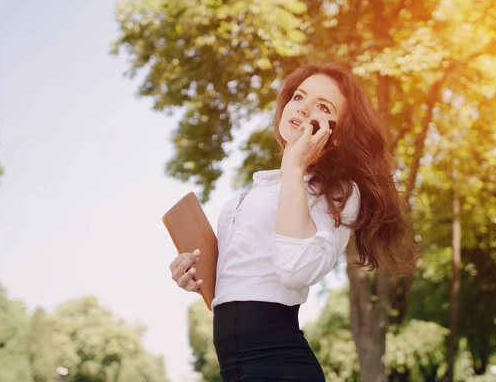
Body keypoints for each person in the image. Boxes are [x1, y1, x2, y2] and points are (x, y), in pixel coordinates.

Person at [168, 63, 419, 381]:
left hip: (278, 364)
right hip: (234, 367)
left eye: (322, 106)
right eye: (299, 97)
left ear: (337, 134)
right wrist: (194, 274)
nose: (302, 108)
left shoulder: (338, 192)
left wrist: (295, 168)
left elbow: (294, 268)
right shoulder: (260, 189)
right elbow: (245, 278)